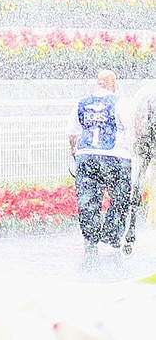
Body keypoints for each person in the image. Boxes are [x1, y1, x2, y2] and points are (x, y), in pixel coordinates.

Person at [67, 69, 133, 258]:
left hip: (86, 156)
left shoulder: (81, 102)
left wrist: (74, 153)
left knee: (88, 200)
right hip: (115, 157)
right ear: (113, 83)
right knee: (120, 196)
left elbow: (72, 133)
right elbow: (131, 129)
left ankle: (91, 240)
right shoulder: (120, 102)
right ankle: (112, 236)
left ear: (98, 83)